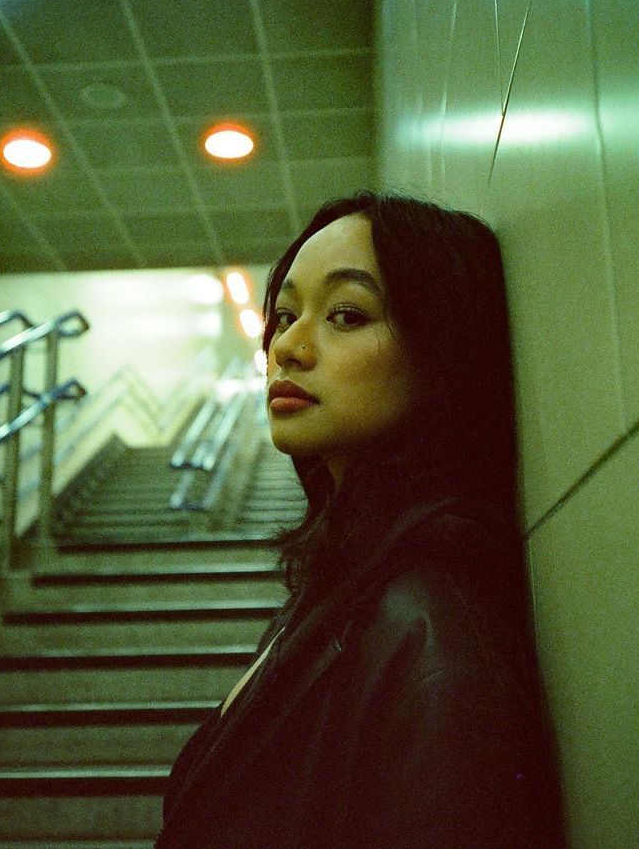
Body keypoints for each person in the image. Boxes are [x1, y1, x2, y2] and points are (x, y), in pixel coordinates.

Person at [156, 191, 567, 848]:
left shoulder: (426, 621)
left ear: (441, 351)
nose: (287, 345)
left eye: (345, 314)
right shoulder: (341, 587)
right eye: (284, 314)